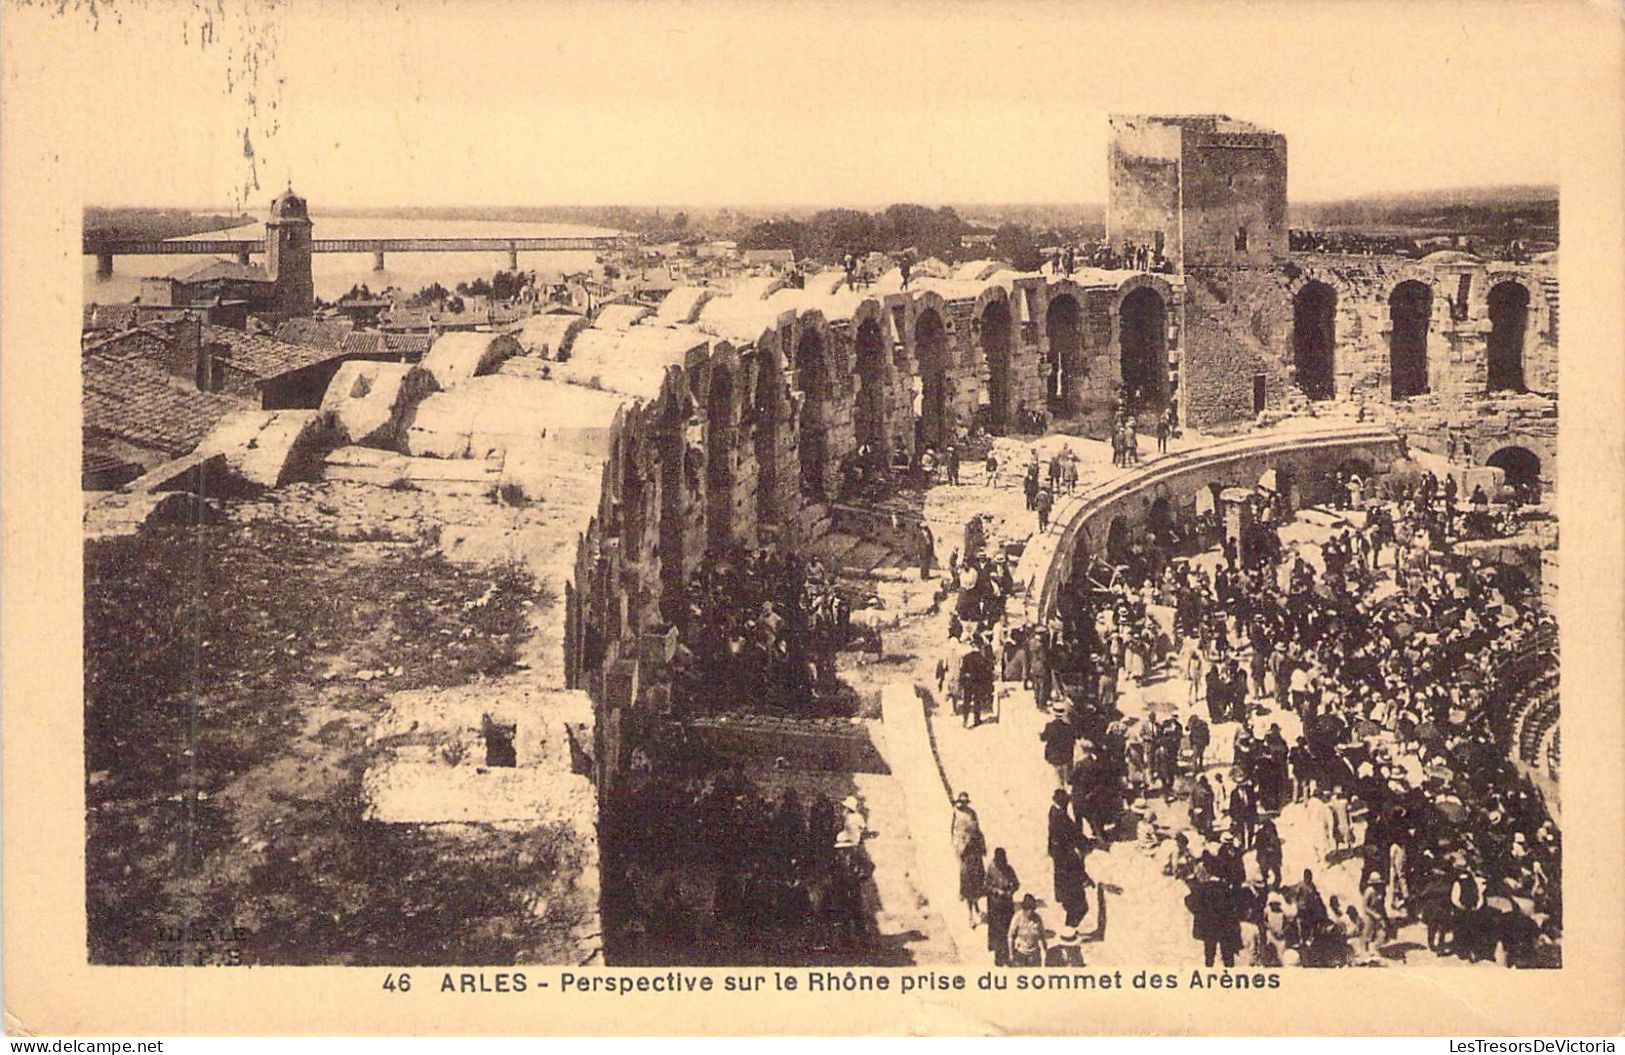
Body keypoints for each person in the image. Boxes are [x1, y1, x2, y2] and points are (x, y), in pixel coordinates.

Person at [951, 792, 987, 927]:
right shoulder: (956, 813)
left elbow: (978, 832)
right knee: (967, 884)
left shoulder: (972, 814)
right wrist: (959, 848)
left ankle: (976, 908)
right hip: (964, 854)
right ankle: (970, 915)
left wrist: (982, 846)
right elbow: (953, 832)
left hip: (974, 856)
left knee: (976, 884)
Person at [984, 848, 1020, 965]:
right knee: (997, 932)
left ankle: (1008, 954)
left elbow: (1016, 884)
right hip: (995, 907)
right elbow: (986, 886)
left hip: (1007, 906)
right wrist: (997, 891)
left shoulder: (1009, 869)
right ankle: (999, 956)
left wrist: (1011, 890)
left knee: (1008, 930)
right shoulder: (991, 869)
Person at [1007, 894, 1047, 966]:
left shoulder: (1037, 918)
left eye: (1032, 909)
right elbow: (1010, 936)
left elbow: (1042, 936)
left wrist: (1044, 950)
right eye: (1028, 909)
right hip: (1020, 953)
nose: (1030, 912)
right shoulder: (1017, 917)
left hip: (1034, 953)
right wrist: (1011, 953)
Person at [1041, 708, 1077, 786]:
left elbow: (1043, 738)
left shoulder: (1050, 726)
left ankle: (1060, 785)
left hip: (1053, 755)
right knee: (1067, 769)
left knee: (1058, 772)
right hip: (1067, 756)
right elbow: (1074, 740)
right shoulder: (1069, 727)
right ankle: (1067, 781)